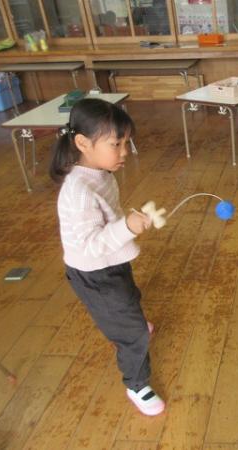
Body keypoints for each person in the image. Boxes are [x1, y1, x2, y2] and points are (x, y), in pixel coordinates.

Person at [50, 98, 165, 416]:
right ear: (83, 144)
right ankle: (137, 384)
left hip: (111, 260)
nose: (124, 152)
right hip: (93, 272)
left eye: (126, 143)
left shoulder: (101, 173)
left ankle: (130, 321)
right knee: (132, 334)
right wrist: (126, 227)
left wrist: (126, 224)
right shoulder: (78, 192)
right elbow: (90, 246)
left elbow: (106, 220)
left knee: (129, 297)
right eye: (116, 144)